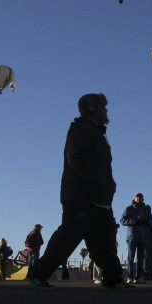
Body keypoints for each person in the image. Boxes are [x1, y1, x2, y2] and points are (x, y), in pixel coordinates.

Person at [26, 93, 131, 289]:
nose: (106, 111)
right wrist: (95, 181)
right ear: (94, 110)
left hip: (97, 196)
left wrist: (107, 185)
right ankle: (38, 273)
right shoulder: (83, 130)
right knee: (69, 236)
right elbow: (77, 158)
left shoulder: (95, 131)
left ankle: (113, 278)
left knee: (104, 239)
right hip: (82, 195)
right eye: (103, 108)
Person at [120, 193, 152, 284]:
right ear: (135, 198)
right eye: (137, 197)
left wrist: (148, 223)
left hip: (143, 237)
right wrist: (134, 221)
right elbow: (122, 220)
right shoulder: (129, 209)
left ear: (143, 199)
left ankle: (139, 277)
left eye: (141, 197)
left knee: (141, 258)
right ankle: (129, 277)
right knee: (131, 258)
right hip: (132, 237)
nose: (139, 199)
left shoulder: (146, 210)